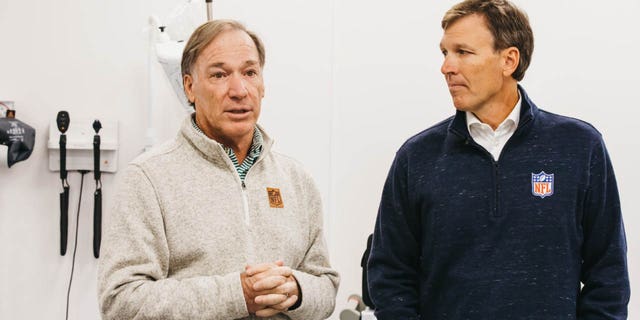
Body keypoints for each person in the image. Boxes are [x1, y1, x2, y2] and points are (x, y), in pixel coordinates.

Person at [367, 1, 630, 319]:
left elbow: (609, 274)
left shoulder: (580, 147)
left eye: (463, 52)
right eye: (445, 53)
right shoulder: (416, 157)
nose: (447, 67)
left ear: (509, 60)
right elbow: (390, 276)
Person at [98, 19, 339, 319]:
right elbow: (121, 301)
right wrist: (238, 294)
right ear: (190, 87)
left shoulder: (296, 180)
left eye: (250, 72)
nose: (239, 90)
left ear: (262, 85)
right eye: (219, 74)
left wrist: (296, 290)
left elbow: (326, 287)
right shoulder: (148, 179)